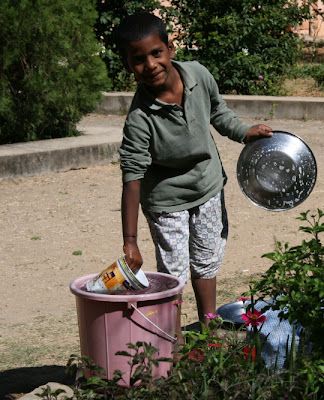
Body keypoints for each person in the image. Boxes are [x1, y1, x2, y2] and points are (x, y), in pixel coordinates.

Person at [114, 13, 272, 326]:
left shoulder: (198, 75)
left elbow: (218, 112)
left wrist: (244, 132)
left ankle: (209, 326)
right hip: (166, 200)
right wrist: (130, 240)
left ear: (170, 48)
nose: (151, 64)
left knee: (206, 261)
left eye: (156, 53)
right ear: (128, 66)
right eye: (138, 59)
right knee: (173, 273)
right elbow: (132, 176)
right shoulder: (140, 118)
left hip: (208, 186)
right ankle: (174, 340)